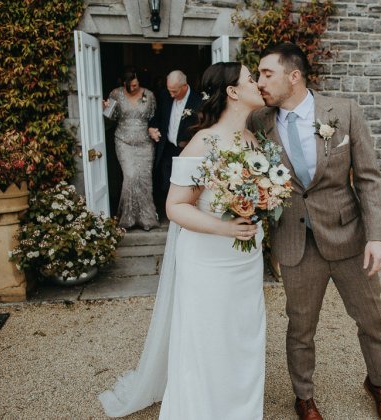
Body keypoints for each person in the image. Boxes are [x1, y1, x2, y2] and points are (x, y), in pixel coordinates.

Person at [99, 62, 267, 419]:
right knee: (209, 338)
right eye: (251, 78)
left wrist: (263, 204)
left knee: (243, 335)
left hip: (246, 258)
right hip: (209, 260)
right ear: (233, 92)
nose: (258, 83)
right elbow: (175, 206)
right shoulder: (203, 142)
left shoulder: (254, 140)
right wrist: (226, 229)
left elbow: (256, 195)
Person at [248, 43, 381, 420]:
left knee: (370, 319)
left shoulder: (344, 111)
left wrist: (376, 237)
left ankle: (380, 385)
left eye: (267, 74)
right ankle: (304, 397)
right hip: (295, 243)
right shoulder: (258, 122)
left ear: (294, 76)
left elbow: (369, 179)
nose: (259, 81)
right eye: (257, 75)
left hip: (349, 237)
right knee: (300, 326)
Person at [104, 69, 159, 231]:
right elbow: (109, 118)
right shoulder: (115, 94)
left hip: (145, 143)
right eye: (131, 85)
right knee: (130, 176)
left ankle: (146, 218)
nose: (135, 87)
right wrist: (104, 108)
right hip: (123, 141)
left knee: (144, 179)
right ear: (124, 84)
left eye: (137, 84)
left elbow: (155, 116)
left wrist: (153, 130)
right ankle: (127, 218)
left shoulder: (149, 95)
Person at [149, 70, 203, 208]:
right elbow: (157, 117)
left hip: (188, 150)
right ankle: (173, 214)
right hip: (167, 148)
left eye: (174, 91)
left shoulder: (199, 101)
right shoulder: (164, 96)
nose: (171, 95)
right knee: (167, 185)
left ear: (184, 86)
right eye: (169, 91)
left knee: (188, 187)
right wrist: (151, 128)